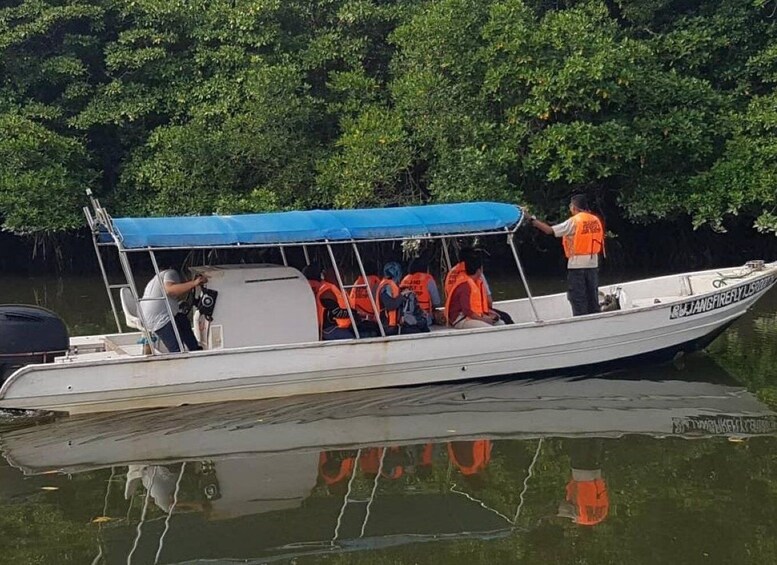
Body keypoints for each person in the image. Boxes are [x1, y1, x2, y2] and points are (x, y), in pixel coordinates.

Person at [531, 194, 605, 316]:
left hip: (577, 266)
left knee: (578, 298)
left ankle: (580, 323)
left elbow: (549, 230)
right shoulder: (595, 220)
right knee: (592, 297)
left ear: (574, 207)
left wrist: (532, 220)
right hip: (593, 263)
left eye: (570, 206)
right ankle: (595, 319)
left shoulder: (575, 221)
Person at [139, 269, 205, 352]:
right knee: (177, 350)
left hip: (147, 316)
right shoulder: (170, 273)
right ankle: (178, 355)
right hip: (159, 319)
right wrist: (194, 283)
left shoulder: (157, 277)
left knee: (181, 319)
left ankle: (195, 349)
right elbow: (170, 290)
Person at [444, 248, 513, 324]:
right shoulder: (468, 281)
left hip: (462, 312)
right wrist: (486, 316)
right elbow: (487, 301)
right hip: (464, 315)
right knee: (505, 318)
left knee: (498, 319)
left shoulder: (452, 272)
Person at [303, 263, 355, 340]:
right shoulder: (326, 291)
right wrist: (353, 313)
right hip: (330, 329)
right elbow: (336, 313)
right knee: (354, 339)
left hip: (314, 327)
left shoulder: (304, 287)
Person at [400, 257, 442, 326]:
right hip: (424, 318)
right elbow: (437, 302)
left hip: (405, 319)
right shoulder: (428, 279)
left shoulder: (405, 279)